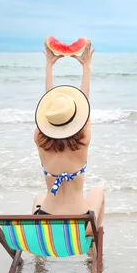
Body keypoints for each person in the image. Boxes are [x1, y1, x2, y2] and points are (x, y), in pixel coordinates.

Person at [31, 39, 104, 238]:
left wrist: (49, 65)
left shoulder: (39, 139)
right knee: (98, 192)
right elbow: (85, 105)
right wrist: (86, 66)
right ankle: (91, 254)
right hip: (81, 224)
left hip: (47, 223)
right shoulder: (83, 140)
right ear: (77, 119)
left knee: (39, 197)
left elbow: (48, 107)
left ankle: (41, 255)